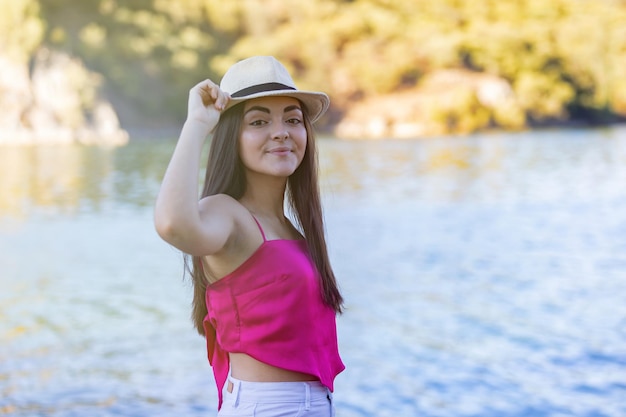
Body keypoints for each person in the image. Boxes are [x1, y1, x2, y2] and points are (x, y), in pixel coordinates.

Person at [154, 56, 345, 416]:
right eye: (259, 121)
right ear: (231, 137)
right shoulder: (228, 214)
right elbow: (172, 224)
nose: (281, 132)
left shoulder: (290, 228)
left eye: (292, 119)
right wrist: (197, 125)